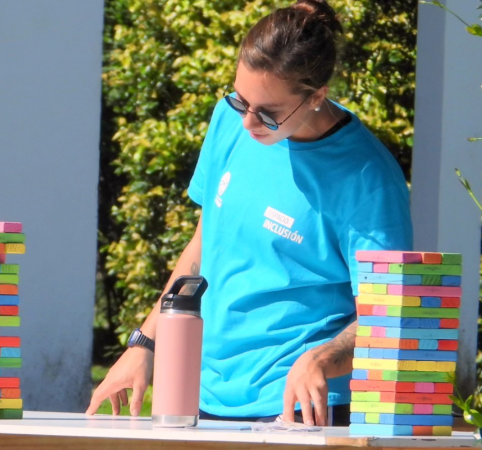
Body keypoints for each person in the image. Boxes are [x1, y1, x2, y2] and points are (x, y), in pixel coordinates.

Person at [87, 0, 412, 426]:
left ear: (317, 96)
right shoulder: (228, 118)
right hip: (205, 395)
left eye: (269, 114)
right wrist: (145, 344)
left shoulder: (368, 178)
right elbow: (204, 244)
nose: (248, 123)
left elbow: (389, 312)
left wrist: (322, 358)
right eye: (242, 101)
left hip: (298, 411)